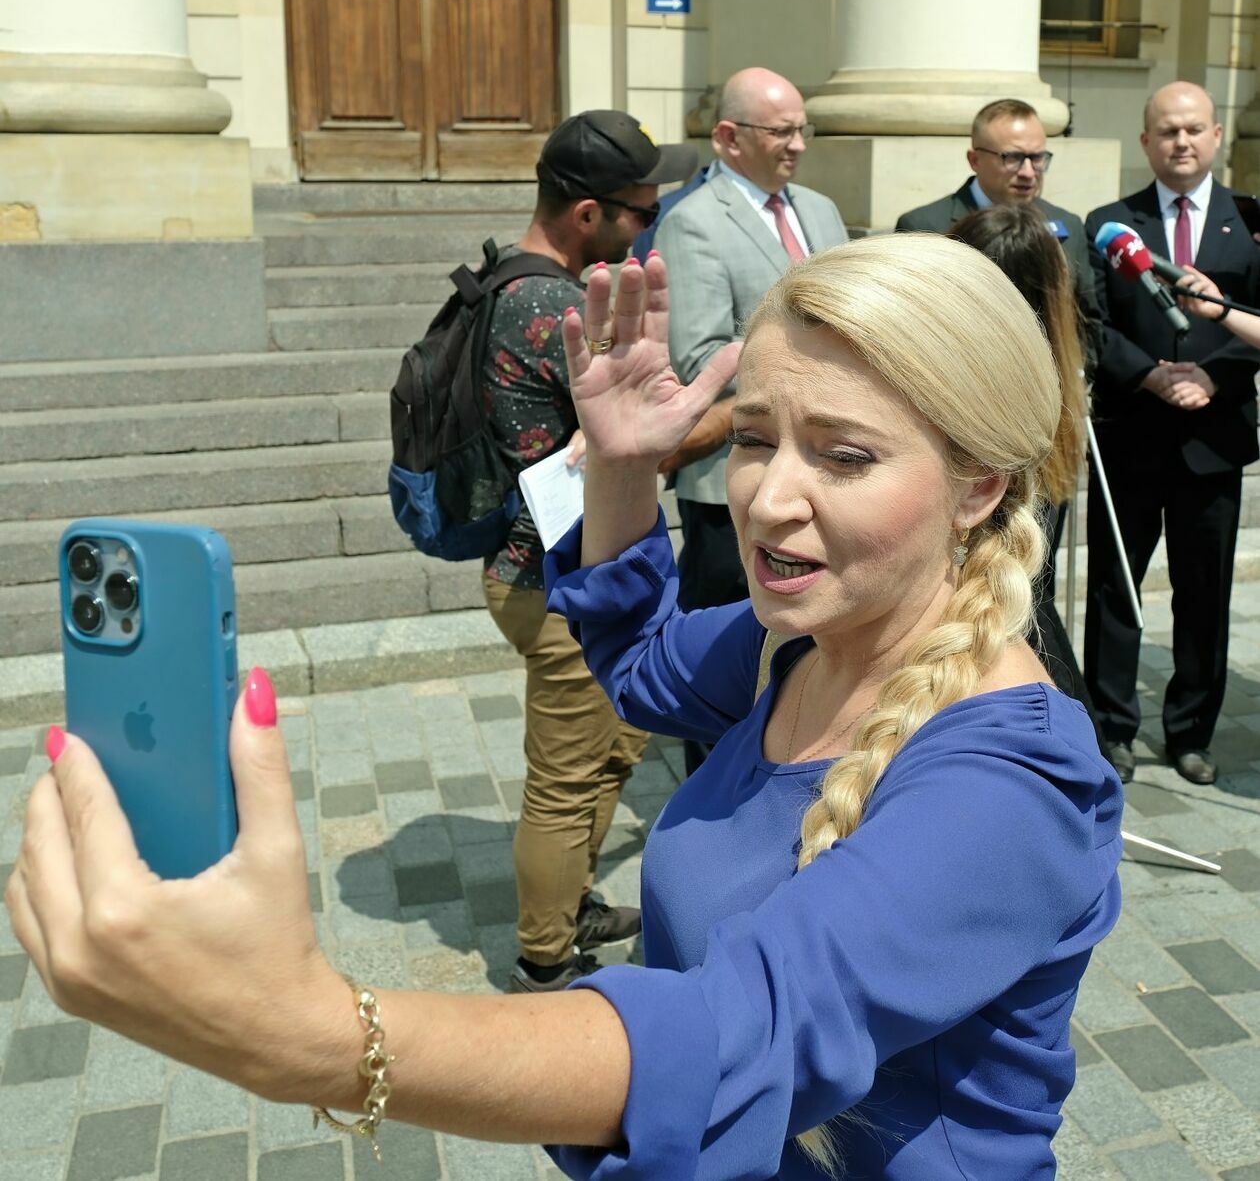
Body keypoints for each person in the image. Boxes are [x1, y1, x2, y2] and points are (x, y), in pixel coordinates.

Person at [9, 235, 1122, 1181]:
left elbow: (736, 1034)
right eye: (749, 437)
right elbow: (638, 666)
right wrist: (624, 470)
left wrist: (314, 1035)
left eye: (843, 453)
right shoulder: (801, 644)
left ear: (980, 484)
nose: (769, 497)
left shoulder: (1010, 788)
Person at [480, 108, 697, 990]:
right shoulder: (557, 308)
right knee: (566, 779)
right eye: (640, 213)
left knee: (615, 745)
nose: (650, 225)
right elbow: (629, 447)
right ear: (586, 214)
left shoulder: (508, 280)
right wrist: (723, 416)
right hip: (561, 579)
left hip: (542, 569)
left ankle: (570, 909)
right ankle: (544, 958)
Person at [1084, 81, 1260, 786]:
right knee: (1113, 589)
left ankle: (1190, 731)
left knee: (1203, 590)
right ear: (1145, 143)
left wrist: (1212, 377)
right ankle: (1112, 728)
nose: (1180, 143)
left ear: (1215, 136)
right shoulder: (1111, 224)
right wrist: (1150, 376)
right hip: (1132, 433)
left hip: (1213, 437)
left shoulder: (1249, 223)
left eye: (1192, 130)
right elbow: (1093, 324)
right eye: (1166, 132)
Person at [656, 67, 848, 617]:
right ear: (728, 137)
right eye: (780, 131)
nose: (798, 145)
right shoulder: (693, 222)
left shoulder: (820, 209)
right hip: (733, 475)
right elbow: (701, 356)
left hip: (820, 466)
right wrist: (817, 364)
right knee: (725, 640)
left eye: (802, 129)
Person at [948, 205, 1109, 751]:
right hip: (1013, 604)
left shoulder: (967, 380)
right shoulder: (1050, 365)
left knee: (1019, 617)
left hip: (975, 627)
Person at [897, 97, 1102, 373]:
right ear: (974, 160)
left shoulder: (1067, 225)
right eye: (1013, 158)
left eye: (1038, 158)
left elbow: (1087, 322)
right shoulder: (925, 226)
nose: (1028, 172)